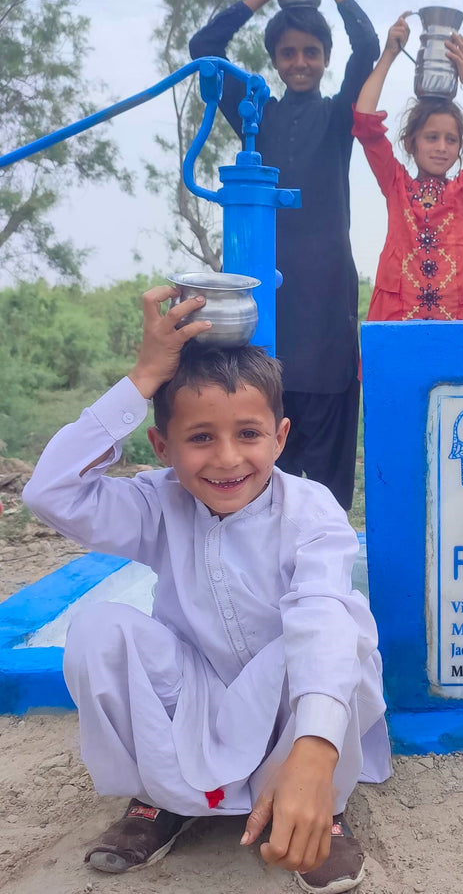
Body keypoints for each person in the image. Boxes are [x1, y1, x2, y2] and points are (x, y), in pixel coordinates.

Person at [22, 286, 390, 892]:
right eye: (199, 438)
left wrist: (315, 751)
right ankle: (159, 799)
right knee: (100, 630)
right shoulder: (157, 503)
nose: (226, 459)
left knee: (339, 635)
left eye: (249, 434)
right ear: (162, 446)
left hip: (287, 708)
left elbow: (322, 617)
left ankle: (322, 803)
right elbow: (49, 494)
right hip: (199, 694)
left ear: (280, 436)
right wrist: (144, 376)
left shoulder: (309, 510)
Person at [189, 0, 378, 511]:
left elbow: (365, 49)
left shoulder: (338, 115)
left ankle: (323, 546)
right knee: (264, 415)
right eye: (289, 53)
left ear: (323, 59)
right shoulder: (257, 116)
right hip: (268, 297)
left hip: (326, 294)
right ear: (274, 61)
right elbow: (205, 47)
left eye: (310, 53)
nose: (300, 63)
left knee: (326, 424)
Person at [353, 14, 463, 321]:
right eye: (432, 138)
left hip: (457, 324)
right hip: (397, 318)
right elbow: (364, 121)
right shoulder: (395, 183)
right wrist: (389, 55)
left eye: (451, 140)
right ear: (411, 143)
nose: (442, 147)